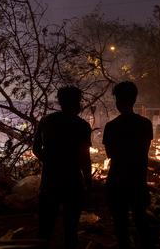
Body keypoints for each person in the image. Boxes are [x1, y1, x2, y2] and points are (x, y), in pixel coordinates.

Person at [32, 86, 92, 249]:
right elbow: (84, 157)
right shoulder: (82, 125)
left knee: (45, 228)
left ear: (60, 101)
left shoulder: (46, 121)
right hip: (73, 181)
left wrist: (50, 161)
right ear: (77, 102)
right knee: (71, 229)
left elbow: (36, 148)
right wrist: (88, 181)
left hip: (50, 181)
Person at [102, 81, 154, 249]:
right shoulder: (145, 124)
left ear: (118, 102)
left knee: (120, 225)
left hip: (117, 181)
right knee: (141, 220)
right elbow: (143, 151)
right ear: (134, 100)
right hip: (138, 181)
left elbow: (110, 155)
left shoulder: (111, 127)